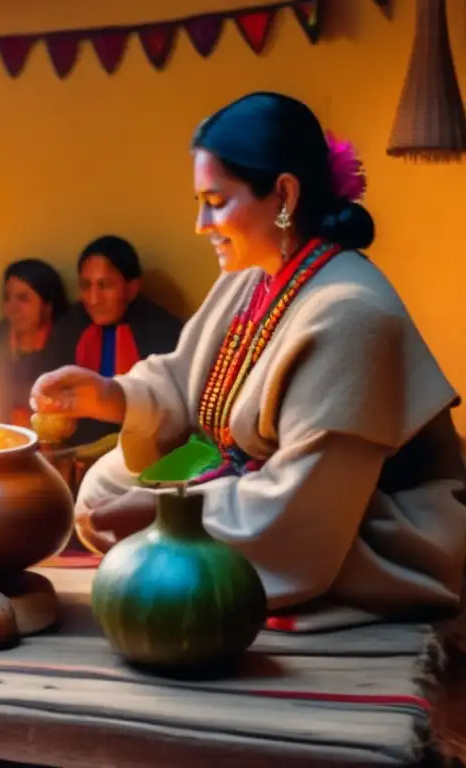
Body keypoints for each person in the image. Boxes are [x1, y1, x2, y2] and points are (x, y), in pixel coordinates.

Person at [32, 92, 466, 618]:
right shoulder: (251, 274)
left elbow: (301, 507)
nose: (200, 224)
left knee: (127, 514)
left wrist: (167, 506)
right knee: (103, 492)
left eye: (215, 201)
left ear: (283, 194)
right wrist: (114, 396)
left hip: (346, 518)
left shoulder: (352, 311)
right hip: (238, 472)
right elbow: (184, 380)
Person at [46, 235, 183, 446]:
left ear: (132, 287)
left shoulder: (164, 332)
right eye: (86, 285)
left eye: (105, 285)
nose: (93, 298)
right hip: (78, 450)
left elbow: (172, 408)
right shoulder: (69, 328)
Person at [0, 259, 70, 426]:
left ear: (48, 305)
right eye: (7, 298)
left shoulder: (65, 345)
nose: (12, 307)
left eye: (23, 298)